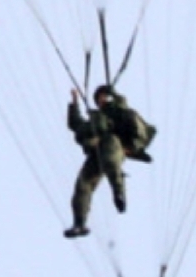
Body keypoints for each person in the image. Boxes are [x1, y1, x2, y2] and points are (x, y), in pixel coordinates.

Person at [63, 85, 156, 237]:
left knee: (110, 156)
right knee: (83, 183)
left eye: (104, 96)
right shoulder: (96, 120)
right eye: (99, 98)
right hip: (97, 153)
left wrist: (112, 92)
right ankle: (79, 223)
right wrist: (74, 102)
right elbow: (75, 124)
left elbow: (125, 108)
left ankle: (118, 193)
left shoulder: (119, 110)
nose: (101, 100)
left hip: (116, 146)